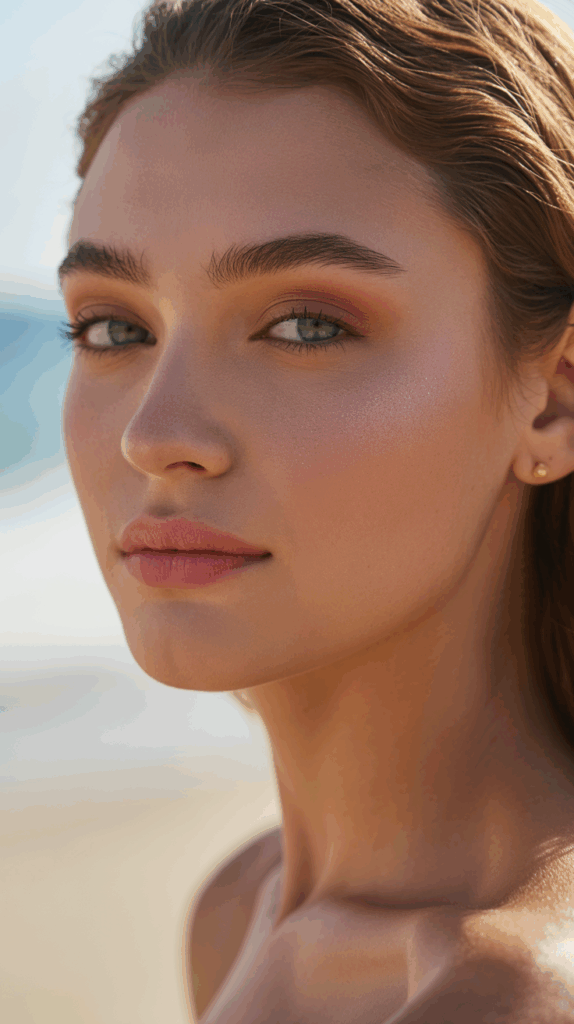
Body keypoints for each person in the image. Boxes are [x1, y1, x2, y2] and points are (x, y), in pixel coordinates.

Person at [58, 0, 574, 1019]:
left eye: (303, 324)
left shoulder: (506, 993)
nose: (155, 433)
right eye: (115, 327)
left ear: (554, 396)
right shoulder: (237, 909)